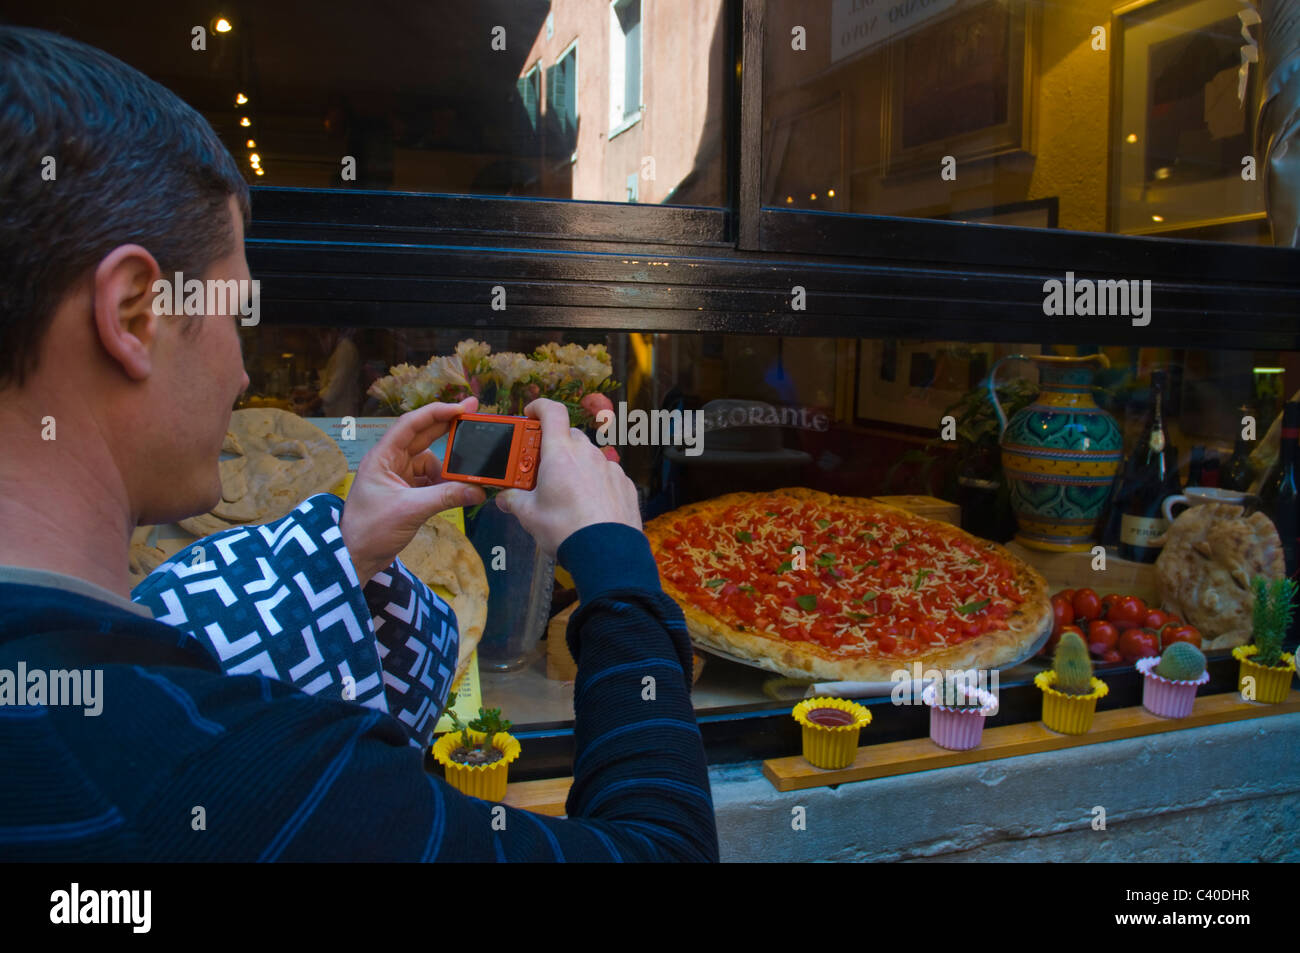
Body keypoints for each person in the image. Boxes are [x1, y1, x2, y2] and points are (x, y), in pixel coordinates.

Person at [0, 26, 717, 862]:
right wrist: (616, 563)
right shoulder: (264, 783)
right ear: (132, 314)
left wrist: (344, 547)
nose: (240, 372)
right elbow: (661, 850)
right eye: (237, 313)